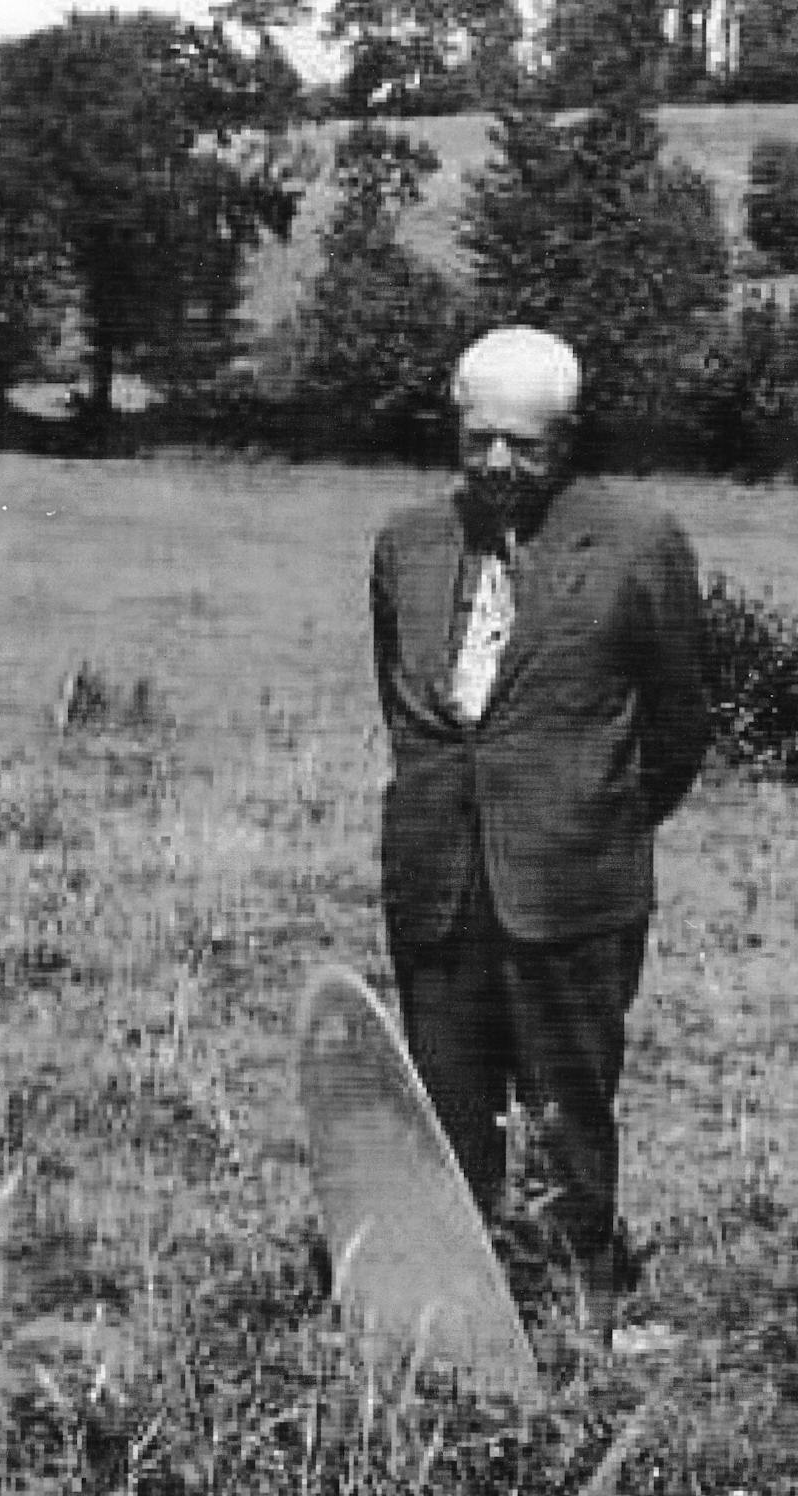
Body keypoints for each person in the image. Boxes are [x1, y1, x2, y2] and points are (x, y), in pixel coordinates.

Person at [369, 326, 709, 1342]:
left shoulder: (637, 541)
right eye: (476, 440)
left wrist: (589, 816)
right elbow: (404, 705)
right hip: (434, 877)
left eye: (524, 445)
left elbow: (679, 725)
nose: (495, 465)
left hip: (571, 882)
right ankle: (454, 1317)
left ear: (567, 441)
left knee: (566, 1103)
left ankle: (578, 1316)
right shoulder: (405, 543)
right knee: (443, 1099)